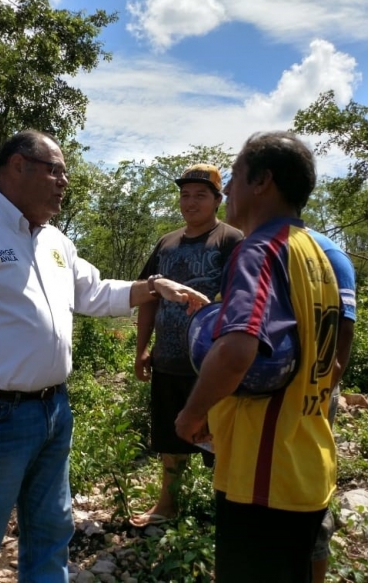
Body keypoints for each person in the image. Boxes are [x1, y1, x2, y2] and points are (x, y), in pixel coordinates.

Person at [0, 129, 208, 583]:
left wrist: (154, 286)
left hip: (54, 410)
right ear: (17, 166)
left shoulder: (54, 240)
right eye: (56, 170)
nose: (64, 181)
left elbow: (92, 293)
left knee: (52, 531)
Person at [175, 131, 341, 583]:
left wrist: (193, 413)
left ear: (262, 181)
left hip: (264, 474)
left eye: (234, 176)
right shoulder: (315, 253)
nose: (228, 189)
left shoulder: (260, 250)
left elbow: (237, 349)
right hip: (308, 461)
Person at [130, 164, 242, 528]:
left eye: (200, 195)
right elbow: (148, 297)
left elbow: (240, 303)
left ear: (217, 200)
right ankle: (168, 504)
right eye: (184, 194)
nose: (190, 202)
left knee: (219, 441)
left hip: (210, 365)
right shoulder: (167, 242)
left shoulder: (231, 240)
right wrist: (142, 348)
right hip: (167, 360)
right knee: (169, 439)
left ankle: (223, 510)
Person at [307, 228, 356, 583]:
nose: (229, 193)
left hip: (310, 392)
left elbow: (344, 329)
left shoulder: (327, 252)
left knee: (310, 487)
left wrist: (324, 385)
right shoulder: (249, 247)